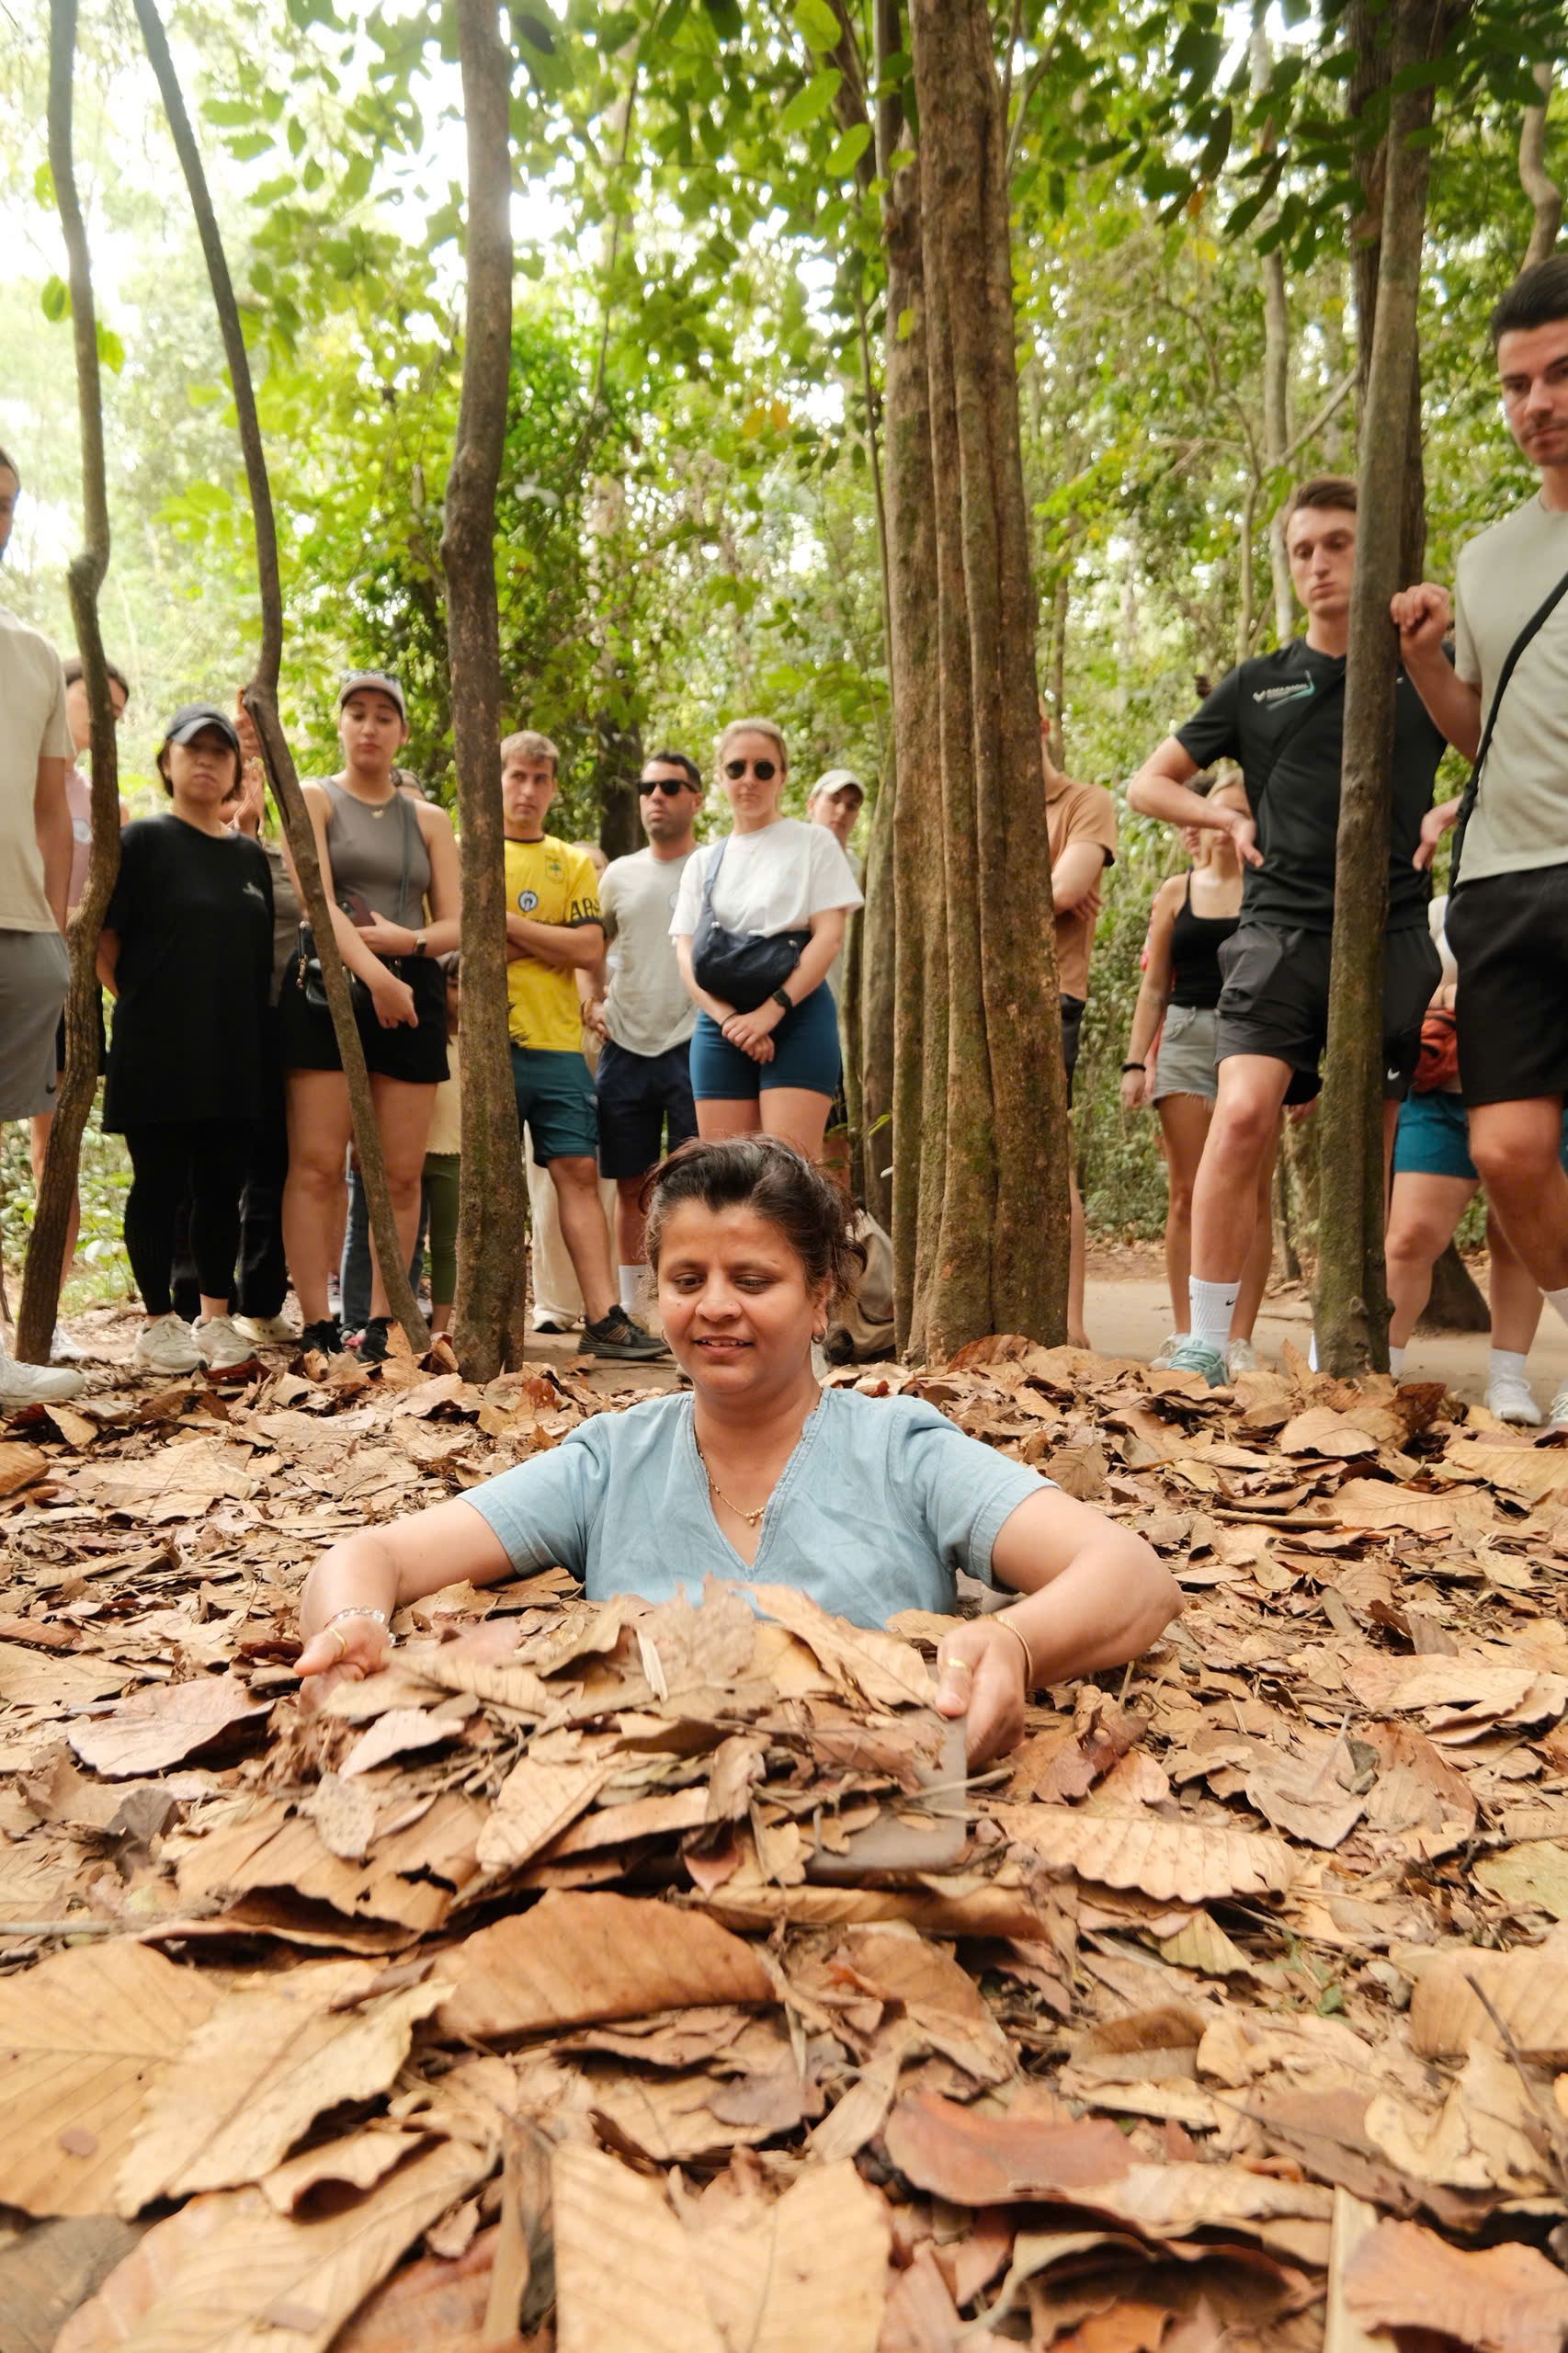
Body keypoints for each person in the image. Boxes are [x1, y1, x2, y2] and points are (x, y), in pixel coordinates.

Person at [294, 1136, 1181, 1764]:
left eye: (753, 1280)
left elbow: (1131, 1577)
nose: (715, 1307)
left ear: (821, 1295)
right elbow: (373, 1556)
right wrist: (352, 1627)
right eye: (687, 1281)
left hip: (869, 1830)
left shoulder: (900, 1451)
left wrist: (1016, 1648)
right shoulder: (610, 1460)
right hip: (639, 1839)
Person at [1128, 476, 1446, 1385]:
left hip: (1385, 931)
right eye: (1303, 549)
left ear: (1370, 547)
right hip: (1275, 931)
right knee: (1237, 1118)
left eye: (1338, 543)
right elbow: (1148, 783)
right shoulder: (1259, 683)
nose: (1319, 564)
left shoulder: (1422, 664)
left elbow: (1499, 743)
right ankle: (1207, 1340)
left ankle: (1340, 1347)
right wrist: (1224, 820)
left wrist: (1451, 810)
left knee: (1366, 1149)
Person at [1392, 259, 1568, 1416]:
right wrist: (1418, 657)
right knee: (1503, 1153)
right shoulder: (1488, 555)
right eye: (1513, 385)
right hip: (1504, 879)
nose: (1534, 405)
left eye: (1557, 375)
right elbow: (1474, 733)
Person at [277, 672, 460, 1363]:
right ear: (340, 724)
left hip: (412, 991)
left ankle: (382, 1318)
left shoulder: (431, 820)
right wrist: (377, 976)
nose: (370, 727)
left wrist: (406, 949)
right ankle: (320, 1323)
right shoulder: (316, 800)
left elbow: (459, 921)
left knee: (399, 1172)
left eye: (385, 716)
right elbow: (315, 898)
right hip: (328, 987)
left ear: (403, 733)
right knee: (319, 1165)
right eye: (357, 713)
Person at [97, 705, 274, 1375]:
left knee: (223, 1186)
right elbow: (103, 940)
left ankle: (216, 1319)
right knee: (160, 1185)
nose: (205, 760)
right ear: (167, 761)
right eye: (191, 748)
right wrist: (142, 1005)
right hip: (157, 1048)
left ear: (234, 771)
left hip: (233, 1051)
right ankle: (157, 1323)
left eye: (219, 751)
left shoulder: (249, 856)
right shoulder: (140, 841)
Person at [501, 732, 666, 1359]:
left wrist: (507, 926)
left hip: (557, 1046)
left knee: (576, 1171)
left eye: (541, 779)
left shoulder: (569, 861)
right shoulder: (468, 853)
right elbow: (457, 943)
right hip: (491, 1044)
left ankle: (603, 1319)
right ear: (499, 780)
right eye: (517, 776)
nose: (528, 790)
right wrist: (551, 938)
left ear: (554, 787)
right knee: (477, 1179)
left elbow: (589, 950)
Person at [1384, 906, 1563, 1419]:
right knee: (1410, 1235)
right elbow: (1420, 988)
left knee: (1519, 1239)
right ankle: (1382, 1373)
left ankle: (1508, 1381)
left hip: (1540, 1089)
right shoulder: (1445, 909)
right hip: (1443, 1092)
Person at [1120, 778, 1274, 1375]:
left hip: (1259, 1038)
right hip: (1185, 1036)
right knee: (1187, 1192)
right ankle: (1189, 1334)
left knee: (1254, 1192)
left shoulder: (1269, 891)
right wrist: (1137, 1061)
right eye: (1217, 814)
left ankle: (1237, 1337)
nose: (1225, 824)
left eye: (1239, 814)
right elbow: (1155, 983)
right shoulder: (1175, 891)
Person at [674, 720, 863, 1162]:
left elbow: (829, 937)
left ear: (782, 776)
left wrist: (769, 1012)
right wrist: (731, 1022)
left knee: (790, 1169)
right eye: (736, 768)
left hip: (797, 1013)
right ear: (720, 776)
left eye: (763, 769)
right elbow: (686, 952)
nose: (749, 780)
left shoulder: (814, 843)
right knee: (725, 1173)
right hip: (722, 1022)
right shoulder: (704, 862)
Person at [0, 440, 85, 1405]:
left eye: (6, 504)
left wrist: (56, 931)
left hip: (21, 933)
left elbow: (46, 803)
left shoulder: (28, 652)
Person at [28, 653, 130, 1364]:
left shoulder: (107, 804)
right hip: (17, 964)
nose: (103, 718)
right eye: (95, 700)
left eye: (116, 712)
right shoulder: (17, 774)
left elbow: (104, 920)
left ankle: (45, 1315)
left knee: (52, 1151)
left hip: (71, 994)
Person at [584, 751, 704, 1315]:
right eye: (647, 786)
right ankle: (634, 1312)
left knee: (695, 1179)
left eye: (671, 787)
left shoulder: (714, 866)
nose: (657, 796)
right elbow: (591, 945)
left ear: (696, 799)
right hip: (624, 1045)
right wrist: (592, 998)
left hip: (695, 1042)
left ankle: (692, 1299)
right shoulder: (618, 874)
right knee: (629, 1182)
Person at [1042, 717, 1119, 1351]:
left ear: (1041, 724)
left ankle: (1071, 1326)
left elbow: (1067, 888)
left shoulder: (1083, 802)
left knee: (1052, 1159)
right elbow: (1057, 892)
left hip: (1052, 995)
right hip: (978, 1002)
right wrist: (1050, 892)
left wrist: (1061, 889)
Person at [423, 955, 462, 1335]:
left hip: (453, 1155)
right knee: (407, 1242)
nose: (461, 995)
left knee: (447, 1245)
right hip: (412, 1153)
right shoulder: (426, 1037)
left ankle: (440, 1328)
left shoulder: (479, 1045)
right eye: (453, 985)